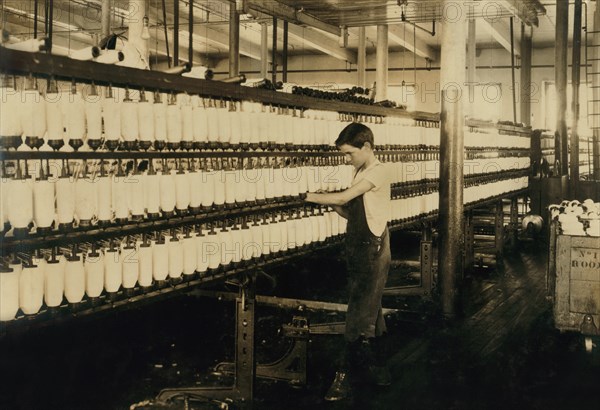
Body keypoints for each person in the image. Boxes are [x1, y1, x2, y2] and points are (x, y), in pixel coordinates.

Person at [304, 122, 392, 401]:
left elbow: (345, 197)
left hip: (373, 248)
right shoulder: (360, 170)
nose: (346, 159)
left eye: (349, 153)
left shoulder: (378, 171)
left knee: (358, 312)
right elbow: (351, 212)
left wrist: (311, 197)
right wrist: (330, 203)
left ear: (366, 147)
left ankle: (343, 377)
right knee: (372, 310)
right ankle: (379, 369)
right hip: (359, 244)